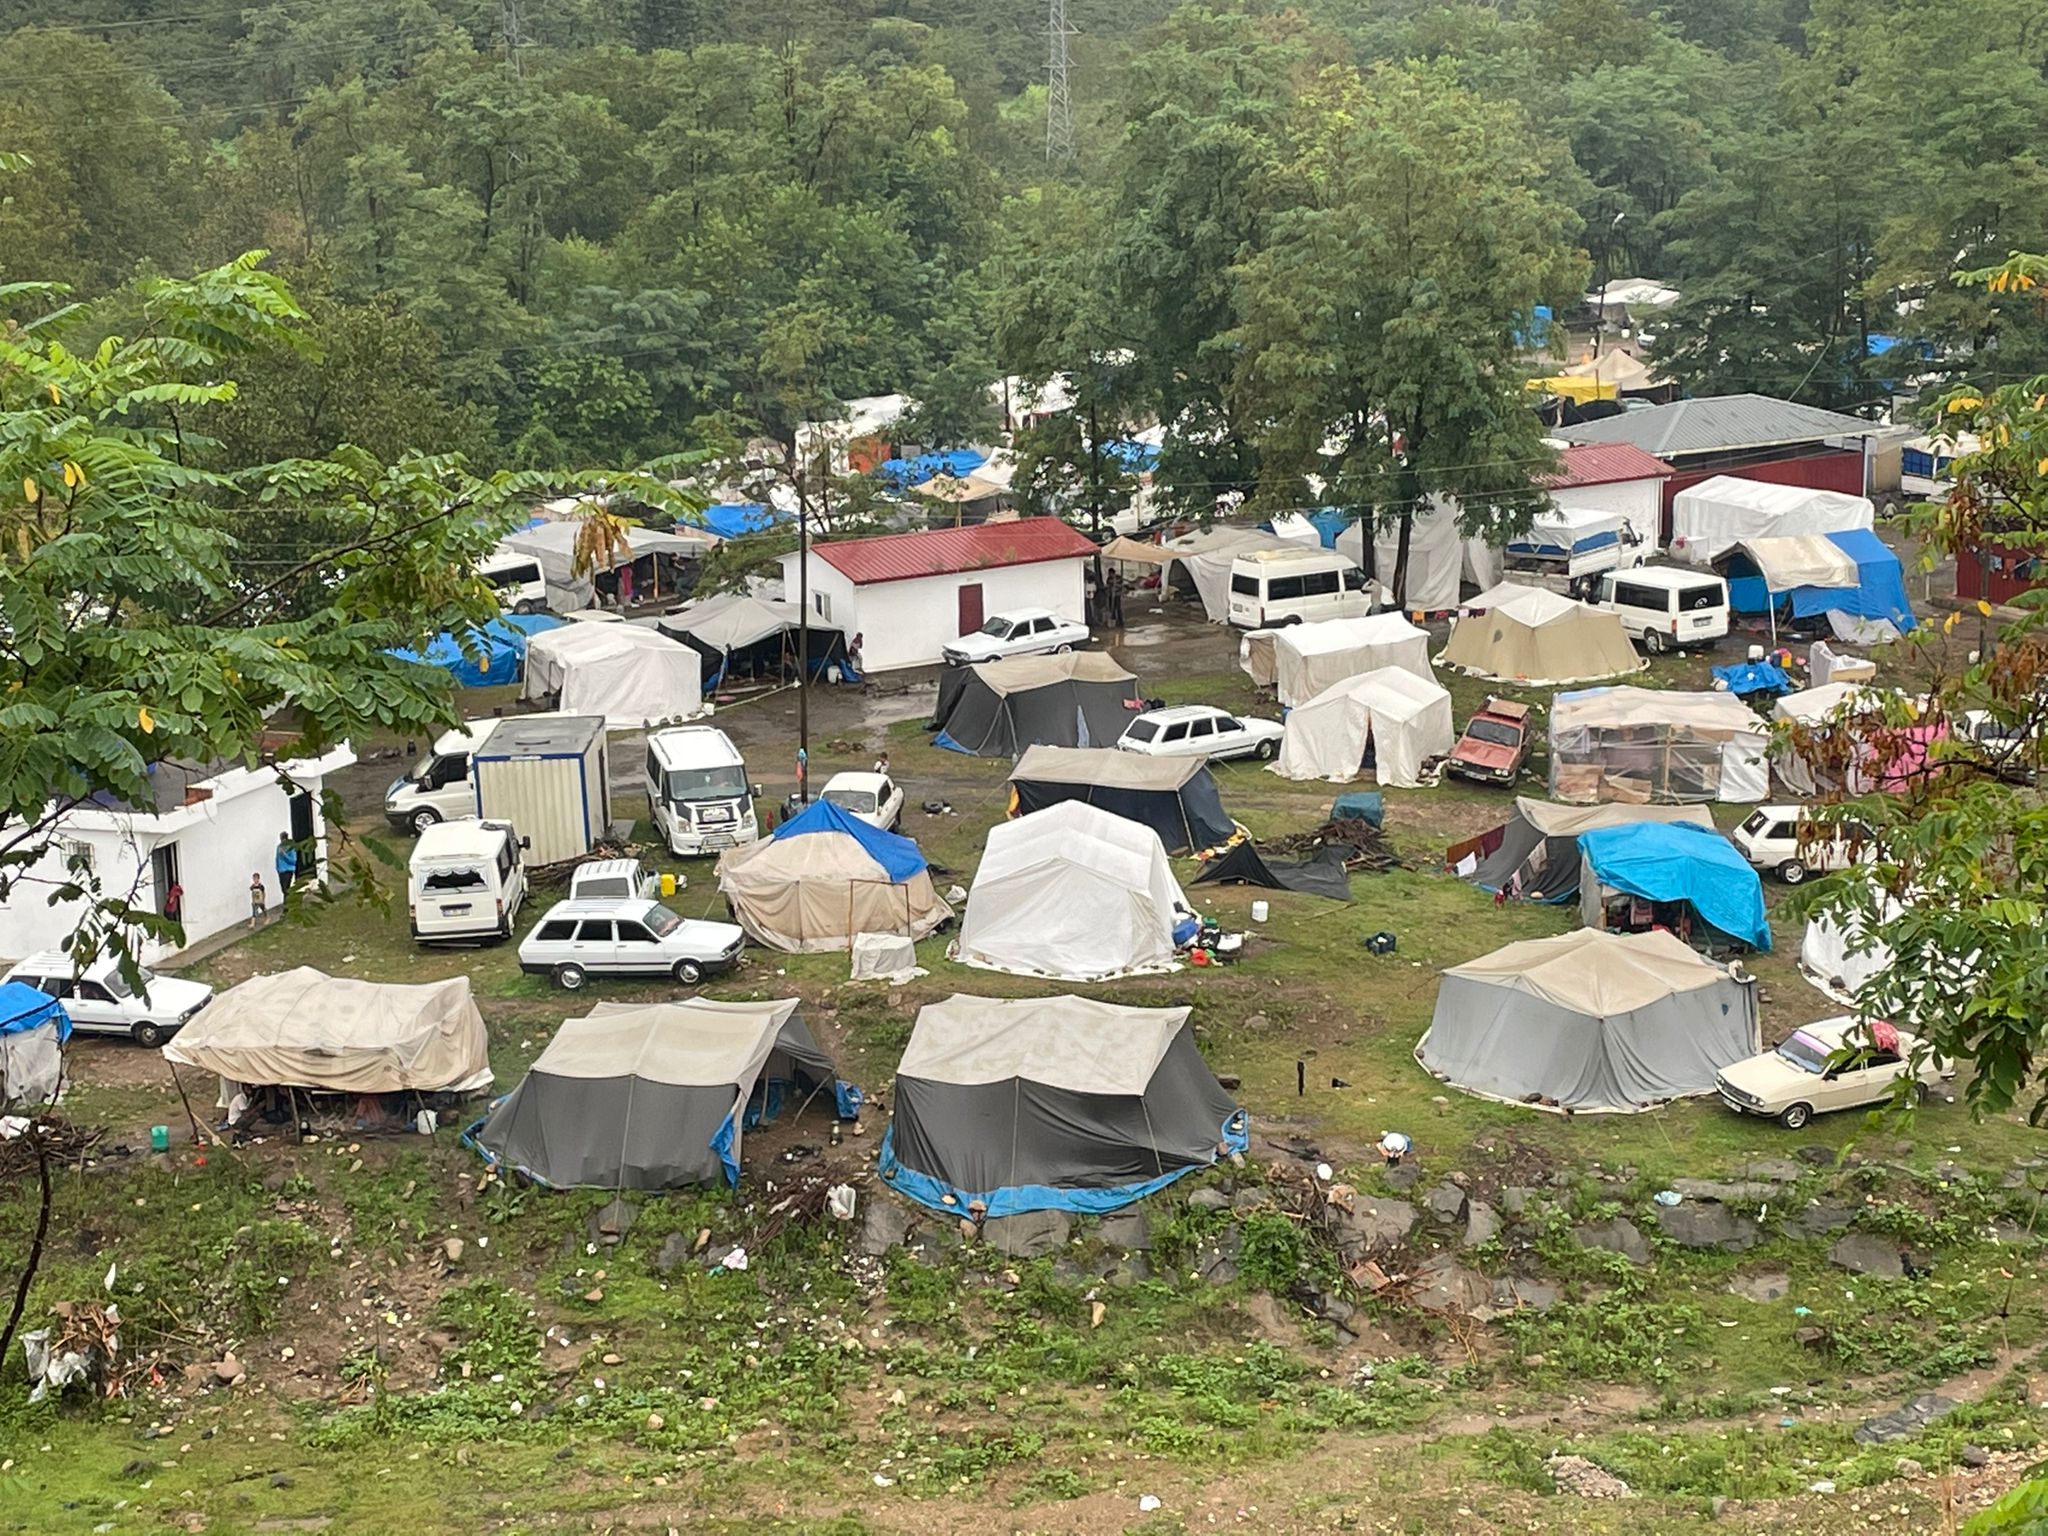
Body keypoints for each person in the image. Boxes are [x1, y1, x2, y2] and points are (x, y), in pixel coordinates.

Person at [275, 833, 299, 900]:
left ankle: (287, 906)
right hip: (281, 871)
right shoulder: (279, 847)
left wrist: (285, 855)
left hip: (288, 870)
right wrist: (277, 868)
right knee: (283, 889)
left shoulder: (291, 847)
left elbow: (293, 860)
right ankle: (287, 905)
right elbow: (277, 858)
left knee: (286, 889)